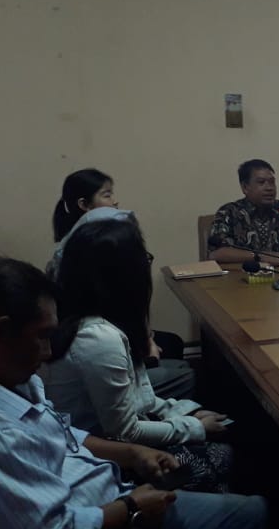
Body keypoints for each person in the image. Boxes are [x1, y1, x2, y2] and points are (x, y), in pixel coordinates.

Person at [0, 258, 266, 529]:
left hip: (111, 490)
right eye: (42, 336)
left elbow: (61, 433)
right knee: (253, 511)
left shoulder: (13, 378)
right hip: (109, 516)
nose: (47, 353)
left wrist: (132, 453)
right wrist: (131, 508)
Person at [41, 220, 232, 492]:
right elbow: (125, 432)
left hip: (109, 443)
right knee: (223, 455)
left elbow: (139, 397)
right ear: (122, 275)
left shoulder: (93, 319)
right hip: (102, 461)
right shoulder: (98, 338)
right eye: (143, 259)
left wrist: (186, 411)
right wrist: (194, 428)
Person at [49, 168, 195, 401]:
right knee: (185, 373)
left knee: (174, 347)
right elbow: (113, 308)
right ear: (84, 204)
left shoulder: (89, 240)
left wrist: (146, 337)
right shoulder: (85, 253)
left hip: (111, 335)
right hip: (101, 346)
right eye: (107, 195)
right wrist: (144, 341)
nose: (115, 201)